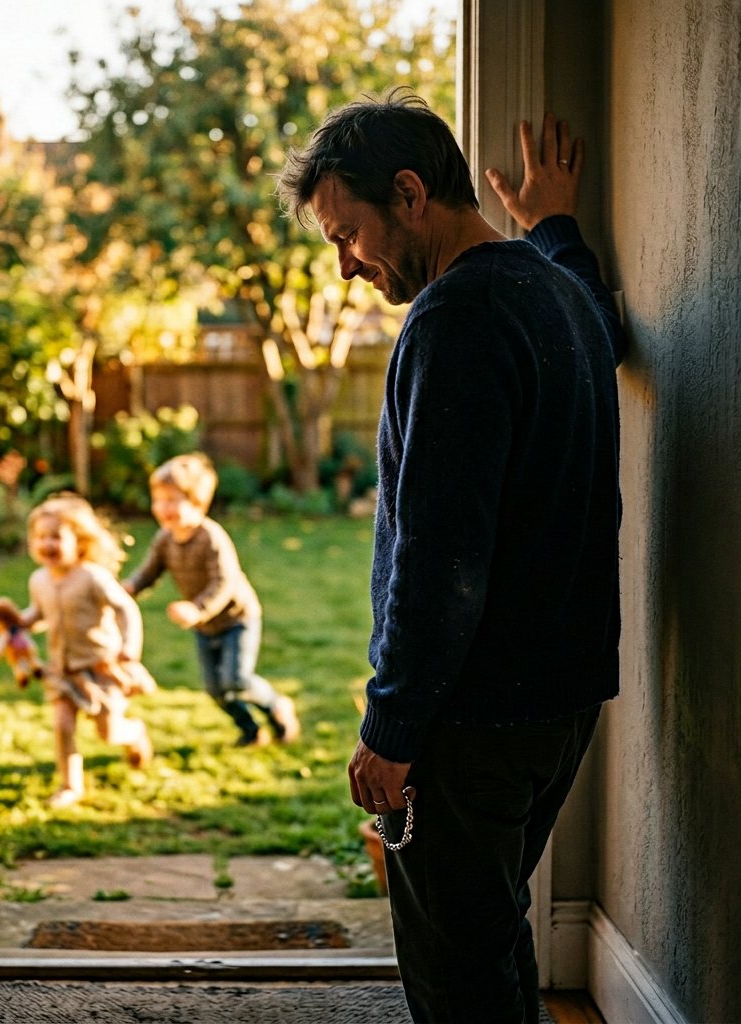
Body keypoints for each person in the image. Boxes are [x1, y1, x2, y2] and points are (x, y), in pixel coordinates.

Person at [276, 92, 625, 1024]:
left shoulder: (452, 321)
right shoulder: (558, 296)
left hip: (474, 717)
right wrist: (554, 227)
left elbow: (441, 556)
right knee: (492, 931)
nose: (348, 267)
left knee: (454, 980)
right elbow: (605, 315)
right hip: (563, 701)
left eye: (350, 235)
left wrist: (390, 733)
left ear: (409, 192)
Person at [123, 452, 300, 747]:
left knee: (237, 680)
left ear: (197, 503)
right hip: (205, 627)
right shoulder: (164, 539)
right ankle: (251, 730)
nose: (162, 508)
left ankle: (276, 705)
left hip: (237, 619)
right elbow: (148, 572)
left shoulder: (211, 538)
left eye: (172, 500)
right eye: (158, 500)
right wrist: (128, 587)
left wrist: (197, 608)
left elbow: (224, 583)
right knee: (215, 690)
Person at [14, 492, 156, 809]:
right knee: (63, 724)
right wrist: (19, 624)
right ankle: (70, 785)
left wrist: (129, 650)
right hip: (63, 669)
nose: (46, 544)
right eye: (40, 537)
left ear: (79, 541)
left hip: (99, 668)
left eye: (56, 537)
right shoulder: (39, 579)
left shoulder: (93, 577)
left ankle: (134, 733)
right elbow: (40, 613)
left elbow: (126, 609)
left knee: (109, 732)